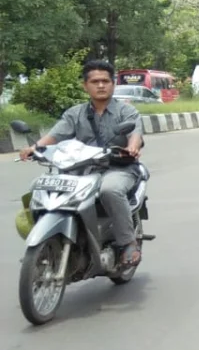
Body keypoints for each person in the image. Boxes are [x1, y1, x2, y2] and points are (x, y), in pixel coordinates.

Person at [18, 60, 145, 268]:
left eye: (105, 81)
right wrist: (36, 148)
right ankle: (44, 241)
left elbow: (135, 134)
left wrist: (132, 146)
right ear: (85, 85)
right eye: (95, 81)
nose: (101, 85)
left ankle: (127, 242)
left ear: (113, 84)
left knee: (110, 190)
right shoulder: (74, 113)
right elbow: (55, 135)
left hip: (118, 168)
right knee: (37, 187)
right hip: (80, 170)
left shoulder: (126, 111)